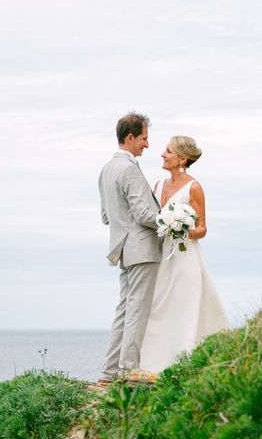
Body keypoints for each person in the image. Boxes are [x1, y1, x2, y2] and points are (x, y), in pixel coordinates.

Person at [139, 136, 229, 372]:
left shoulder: (194, 188)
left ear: (182, 158)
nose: (162, 154)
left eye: (168, 151)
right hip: (161, 256)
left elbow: (202, 229)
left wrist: (181, 230)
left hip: (184, 257)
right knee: (158, 308)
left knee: (182, 310)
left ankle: (184, 363)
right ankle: (153, 364)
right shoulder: (157, 186)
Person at [98, 112, 162, 383]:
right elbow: (144, 214)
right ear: (130, 137)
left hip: (123, 250)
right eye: (144, 139)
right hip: (142, 249)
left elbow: (105, 217)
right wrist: (168, 221)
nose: (147, 145)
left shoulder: (106, 170)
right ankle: (128, 371)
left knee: (124, 310)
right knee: (137, 310)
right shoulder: (129, 169)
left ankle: (109, 372)